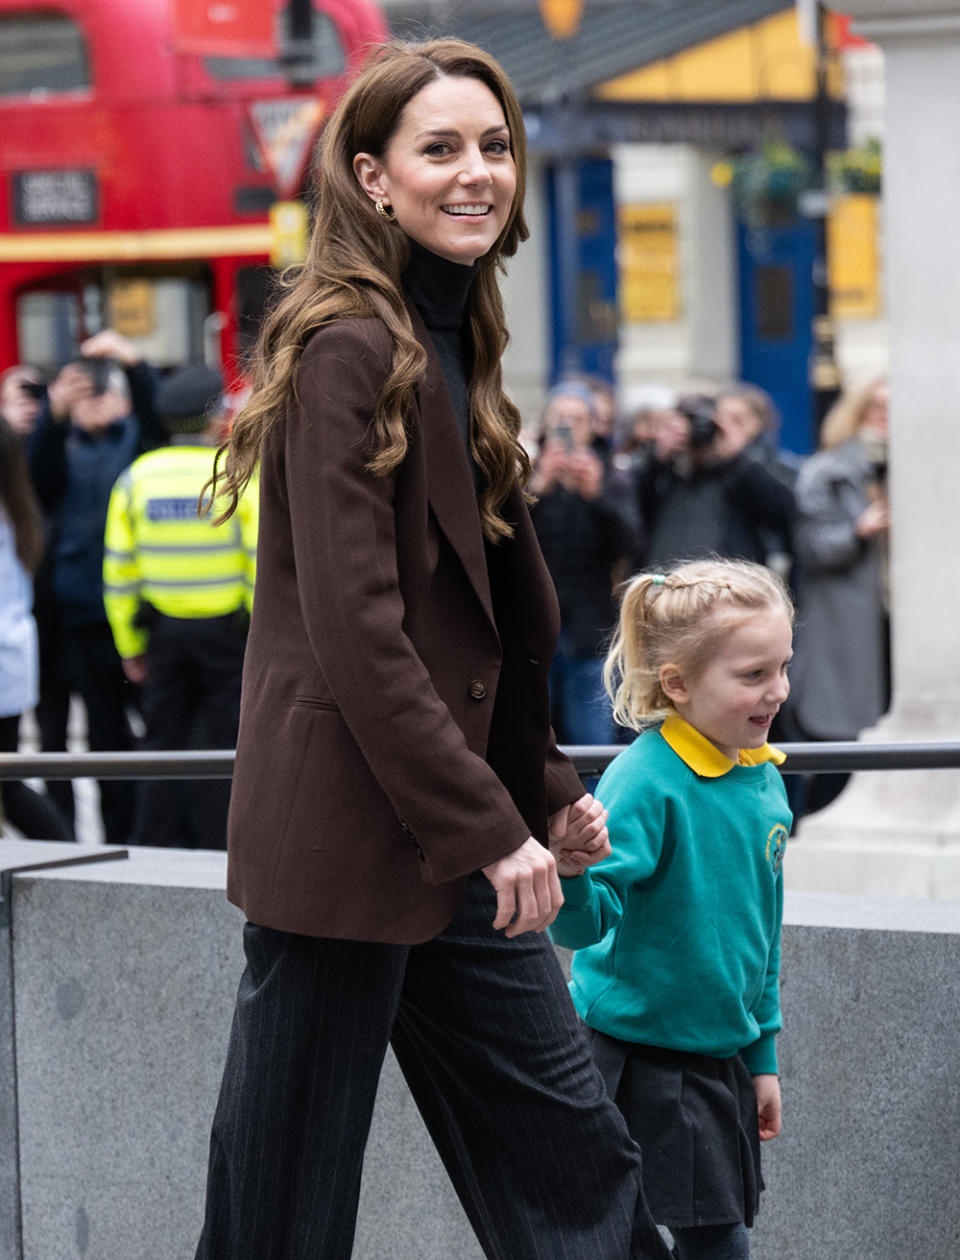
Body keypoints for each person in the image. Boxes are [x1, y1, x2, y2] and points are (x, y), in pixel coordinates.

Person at [194, 38, 672, 1260]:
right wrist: (494, 826)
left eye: (496, 146)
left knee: (576, 1167)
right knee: (284, 1211)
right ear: (373, 178)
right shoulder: (349, 345)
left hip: (462, 837)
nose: (479, 174)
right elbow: (360, 633)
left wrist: (550, 794)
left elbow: (484, 629)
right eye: (441, 149)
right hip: (353, 846)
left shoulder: (454, 337)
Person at [550, 558, 794, 1260]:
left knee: (707, 1235)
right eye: (752, 675)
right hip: (639, 1062)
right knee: (702, 1241)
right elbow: (587, 924)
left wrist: (761, 1057)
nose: (776, 690)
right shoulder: (644, 782)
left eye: (782, 666)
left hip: (716, 1060)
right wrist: (569, 870)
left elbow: (762, 936)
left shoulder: (763, 777)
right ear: (677, 684)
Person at [103, 365, 257, 849]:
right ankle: (234, 842)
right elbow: (259, 565)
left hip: (164, 636)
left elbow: (119, 574)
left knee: (161, 746)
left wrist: (130, 646)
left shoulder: (135, 480)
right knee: (240, 747)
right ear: (215, 416)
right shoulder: (235, 476)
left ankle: (155, 844)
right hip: (230, 638)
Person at [27, 329, 165, 843]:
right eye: (87, 392)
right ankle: (114, 838)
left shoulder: (136, 443)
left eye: (105, 391)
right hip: (80, 622)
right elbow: (35, 474)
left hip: (134, 620)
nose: (96, 402)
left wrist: (132, 362)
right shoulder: (59, 449)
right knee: (105, 738)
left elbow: (157, 418)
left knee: (152, 738)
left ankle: (147, 834)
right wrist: (55, 412)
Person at [785, 376, 890, 813]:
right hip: (847, 631)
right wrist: (857, 531)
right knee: (839, 751)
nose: (888, 423)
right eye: (880, 411)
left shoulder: (916, 467)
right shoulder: (827, 472)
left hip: (896, 623)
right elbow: (811, 546)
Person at [530, 379, 639, 745]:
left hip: (589, 628)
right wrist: (537, 490)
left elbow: (630, 545)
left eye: (577, 418)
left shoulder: (614, 474)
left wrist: (596, 498)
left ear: (594, 425)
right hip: (535, 626)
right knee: (531, 736)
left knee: (591, 737)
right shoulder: (526, 472)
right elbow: (502, 537)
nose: (568, 425)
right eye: (560, 417)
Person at [0, 416, 72, 841]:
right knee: (8, 780)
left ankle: (64, 853)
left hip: (5, 660)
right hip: (12, 659)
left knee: (8, 784)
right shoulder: (16, 507)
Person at [637, 392, 794, 572]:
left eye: (736, 420)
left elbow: (780, 513)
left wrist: (737, 458)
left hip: (727, 584)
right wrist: (658, 457)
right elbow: (630, 510)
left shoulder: (747, 471)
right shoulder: (665, 472)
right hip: (666, 582)